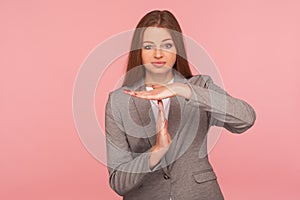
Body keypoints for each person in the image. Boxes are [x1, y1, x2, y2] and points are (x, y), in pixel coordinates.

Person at [105, 10, 256, 200]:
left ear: (177, 49)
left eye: (167, 45)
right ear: (139, 52)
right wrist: (156, 152)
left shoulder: (200, 87)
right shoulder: (119, 101)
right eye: (149, 46)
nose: (158, 54)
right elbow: (118, 182)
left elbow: (246, 119)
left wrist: (184, 90)